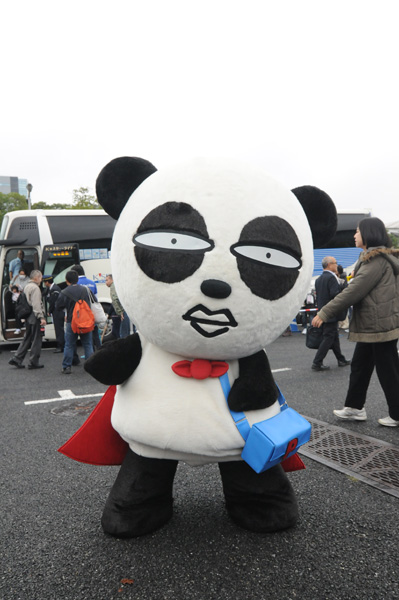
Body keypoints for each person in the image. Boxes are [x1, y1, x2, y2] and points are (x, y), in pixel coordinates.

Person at [312, 217, 399, 427]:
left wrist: (324, 312)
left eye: (357, 231)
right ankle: (354, 407)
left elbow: (354, 291)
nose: (354, 235)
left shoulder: (375, 261)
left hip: (379, 325)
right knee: (360, 366)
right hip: (373, 325)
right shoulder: (372, 259)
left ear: (368, 234)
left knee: (388, 371)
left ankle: (396, 414)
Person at [311, 256, 350, 371]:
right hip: (331, 313)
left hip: (323, 312)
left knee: (333, 337)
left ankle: (341, 359)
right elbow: (335, 295)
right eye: (335, 263)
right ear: (329, 265)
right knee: (328, 337)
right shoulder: (332, 278)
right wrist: (343, 287)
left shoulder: (319, 279)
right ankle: (317, 362)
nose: (337, 265)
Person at [55, 270, 94, 374]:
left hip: (72, 321)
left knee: (69, 344)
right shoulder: (85, 290)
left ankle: (67, 367)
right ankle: (91, 367)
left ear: (67, 281)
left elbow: (58, 306)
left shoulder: (64, 292)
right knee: (87, 344)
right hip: (85, 321)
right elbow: (91, 303)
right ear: (77, 279)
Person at [8, 270, 46, 369]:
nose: (41, 280)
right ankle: (34, 362)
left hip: (27, 316)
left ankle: (17, 358)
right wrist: (41, 317)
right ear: (37, 277)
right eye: (41, 278)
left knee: (27, 338)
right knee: (36, 339)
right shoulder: (35, 288)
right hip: (34, 315)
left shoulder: (26, 287)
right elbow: (36, 304)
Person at [70, 264, 101, 349]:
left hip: (82, 314)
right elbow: (96, 299)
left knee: (86, 337)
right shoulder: (92, 283)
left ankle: (90, 353)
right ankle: (99, 350)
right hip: (92, 312)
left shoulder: (75, 284)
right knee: (95, 333)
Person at [42, 275, 65, 353]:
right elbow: (44, 294)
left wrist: (49, 311)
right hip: (56, 311)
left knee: (59, 329)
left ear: (47, 282)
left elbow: (53, 302)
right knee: (58, 329)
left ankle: (61, 346)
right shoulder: (50, 288)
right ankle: (61, 345)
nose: (44, 284)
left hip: (58, 311)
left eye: (45, 282)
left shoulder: (55, 289)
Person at [105, 273, 131, 339]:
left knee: (123, 334)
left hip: (123, 312)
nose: (106, 282)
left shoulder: (113, 287)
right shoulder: (117, 285)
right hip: (126, 310)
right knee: (126, 332)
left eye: (107, 280)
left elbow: (115, 299)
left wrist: (120, 312)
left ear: (112, 280)